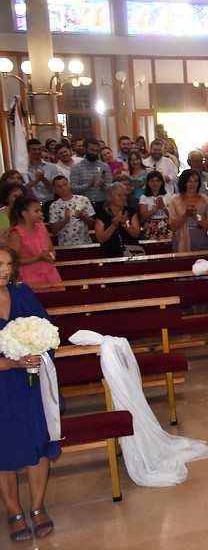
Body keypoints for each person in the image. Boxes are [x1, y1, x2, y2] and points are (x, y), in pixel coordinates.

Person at [0, 245, 60, 543]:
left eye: (7, 264)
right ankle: (14, 511)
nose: (4, 270)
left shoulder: (22, 294)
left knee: (38, 441)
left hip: (29, 382)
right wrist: (11, 362)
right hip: (2, 385)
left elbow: (46, 330)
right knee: (3, 449)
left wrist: (39, 353)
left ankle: (37, 507)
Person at [7, 197, 62, 288]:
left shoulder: (42, 227)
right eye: (36, 211)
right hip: (28, 276)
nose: (41, 214)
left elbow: (51, 249)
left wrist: (51, 255)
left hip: (50, 273)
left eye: (40, 211)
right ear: (24, 213)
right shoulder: (16, 233)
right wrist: (37, 258)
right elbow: (13, 261)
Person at [168, 170, 208, 253]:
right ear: (183, 182)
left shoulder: (206, 200)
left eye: (196, 181)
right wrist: (185, 215)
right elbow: (172, 227)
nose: (193, 184)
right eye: (189, 181)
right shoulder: (174, 200)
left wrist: (197, 217)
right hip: (180, 242)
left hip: (200, 240)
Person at [94, 183, 142, 258]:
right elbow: (100, 239)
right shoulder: (101, 214)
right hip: (109, 254)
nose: (123, 198)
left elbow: (136, 234)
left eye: (125, 195)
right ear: (110, 197)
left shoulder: (131, 211)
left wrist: (126, 224)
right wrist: (113, 225)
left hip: (132, 252)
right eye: (119, 195)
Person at [48, 176, 95, 247]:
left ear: (69, 184)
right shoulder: (53, 206)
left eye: (65, 184)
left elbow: (93, 224)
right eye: (59, 186)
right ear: (55, 189)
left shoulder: (83, 200)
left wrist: (82, 217)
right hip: (64, 246)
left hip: (85, 244)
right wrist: (65, 220)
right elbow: (53, 230)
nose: (63, 188)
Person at [24, 139, 60, 215]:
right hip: (30, 205)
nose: (37, 151)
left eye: (39, 149)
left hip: (48, 203)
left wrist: (43, 178)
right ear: (28, 151)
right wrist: (36, 180)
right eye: (34, 149)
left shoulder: (52, 167)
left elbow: (55, 189)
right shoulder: (23, 169)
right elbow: (23, 189)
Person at [138, 172, 171, 240]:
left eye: (158, 181)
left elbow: (172, 215)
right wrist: (155, 209)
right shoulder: (143, 197)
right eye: (152, 181)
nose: (155, 183)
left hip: (166, 225)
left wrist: (163, 207)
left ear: (162, 182)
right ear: (148, 183)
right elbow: (143, 218)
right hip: (150, 226)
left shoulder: (168, 196)